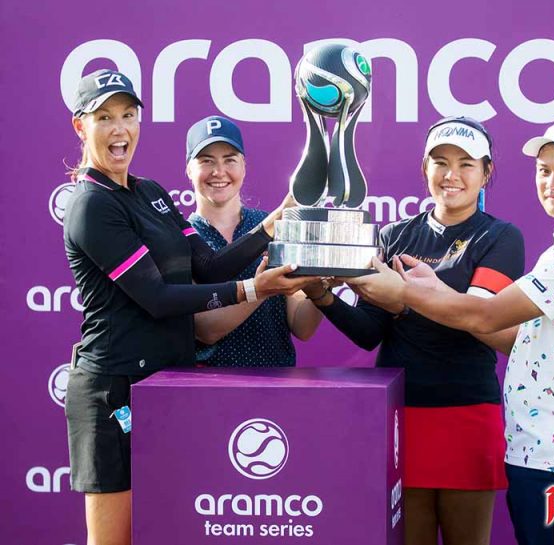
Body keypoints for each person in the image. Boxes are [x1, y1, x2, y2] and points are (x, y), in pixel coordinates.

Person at [63, 69, 316, 545]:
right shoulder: (92, 204)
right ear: (82, 126)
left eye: (128, 115)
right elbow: (158, 298)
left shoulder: (151, 193)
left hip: (166, 385)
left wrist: (277, 219)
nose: (120, 129)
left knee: (170, 530)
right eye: (105, 118)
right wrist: (253, 289)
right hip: (115, 390)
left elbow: (210, 265)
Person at [350, 118, 554, 545]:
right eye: (544, 170)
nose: (552, 182)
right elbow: (510, 332)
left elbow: (486, 318)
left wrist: (403, 292)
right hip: (542, 444)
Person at [302, 116, 525, 545]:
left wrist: (404, 300)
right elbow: (369, 332)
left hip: (466, 412)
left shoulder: (500, 237)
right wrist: (322, 296)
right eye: (440, 162)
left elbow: (478, 319)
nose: (451, 175)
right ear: (425, 168)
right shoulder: (394, 235)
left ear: (486, 173)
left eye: (466, 164)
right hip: (401, 416)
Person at [186, 116, 323, 366]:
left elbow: (302, 327)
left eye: (230, 160)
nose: (219, 172)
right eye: (207, 161)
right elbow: (205, 329)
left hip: (276, 380)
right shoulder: (181, 237)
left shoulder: (277, 228)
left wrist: (323, 284)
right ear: (189, 170)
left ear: (244, 167)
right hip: (210, 384)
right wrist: (262, 289)